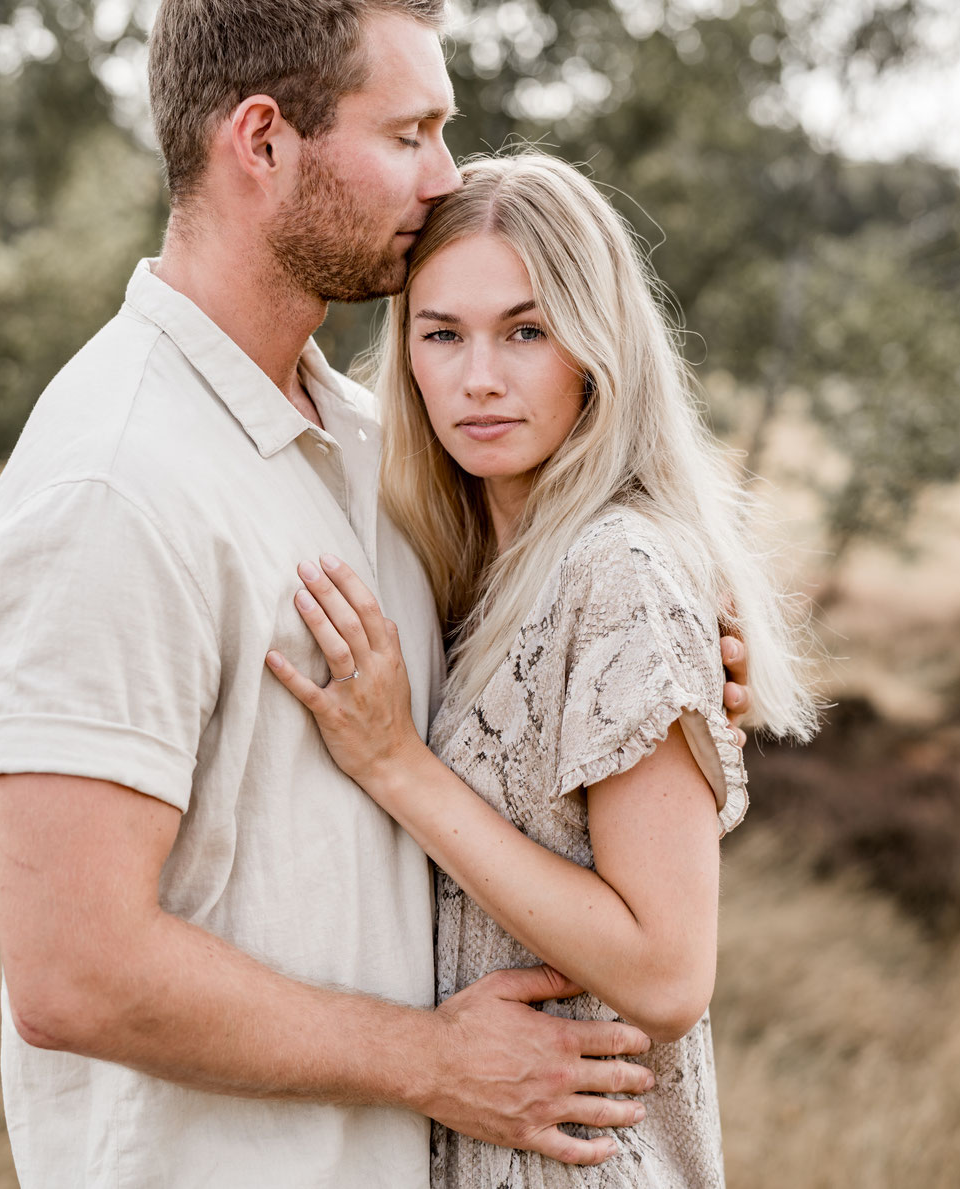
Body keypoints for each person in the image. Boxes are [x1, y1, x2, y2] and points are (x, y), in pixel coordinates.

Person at [0, 0, 756, 1188]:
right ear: (263, 141)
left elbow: (550, 687)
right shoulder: (114, 484)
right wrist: (430, 1061)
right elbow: (73, 970)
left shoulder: (372, 448)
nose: (445, 177)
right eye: (408, 134)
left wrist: (668, 664)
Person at [267, 154, 818, 1186]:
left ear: (595, 349)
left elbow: (664, 971)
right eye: (441, 335)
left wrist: (398, 765)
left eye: (526, 330)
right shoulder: (470, 566)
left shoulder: (620, 569)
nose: (479, 377)